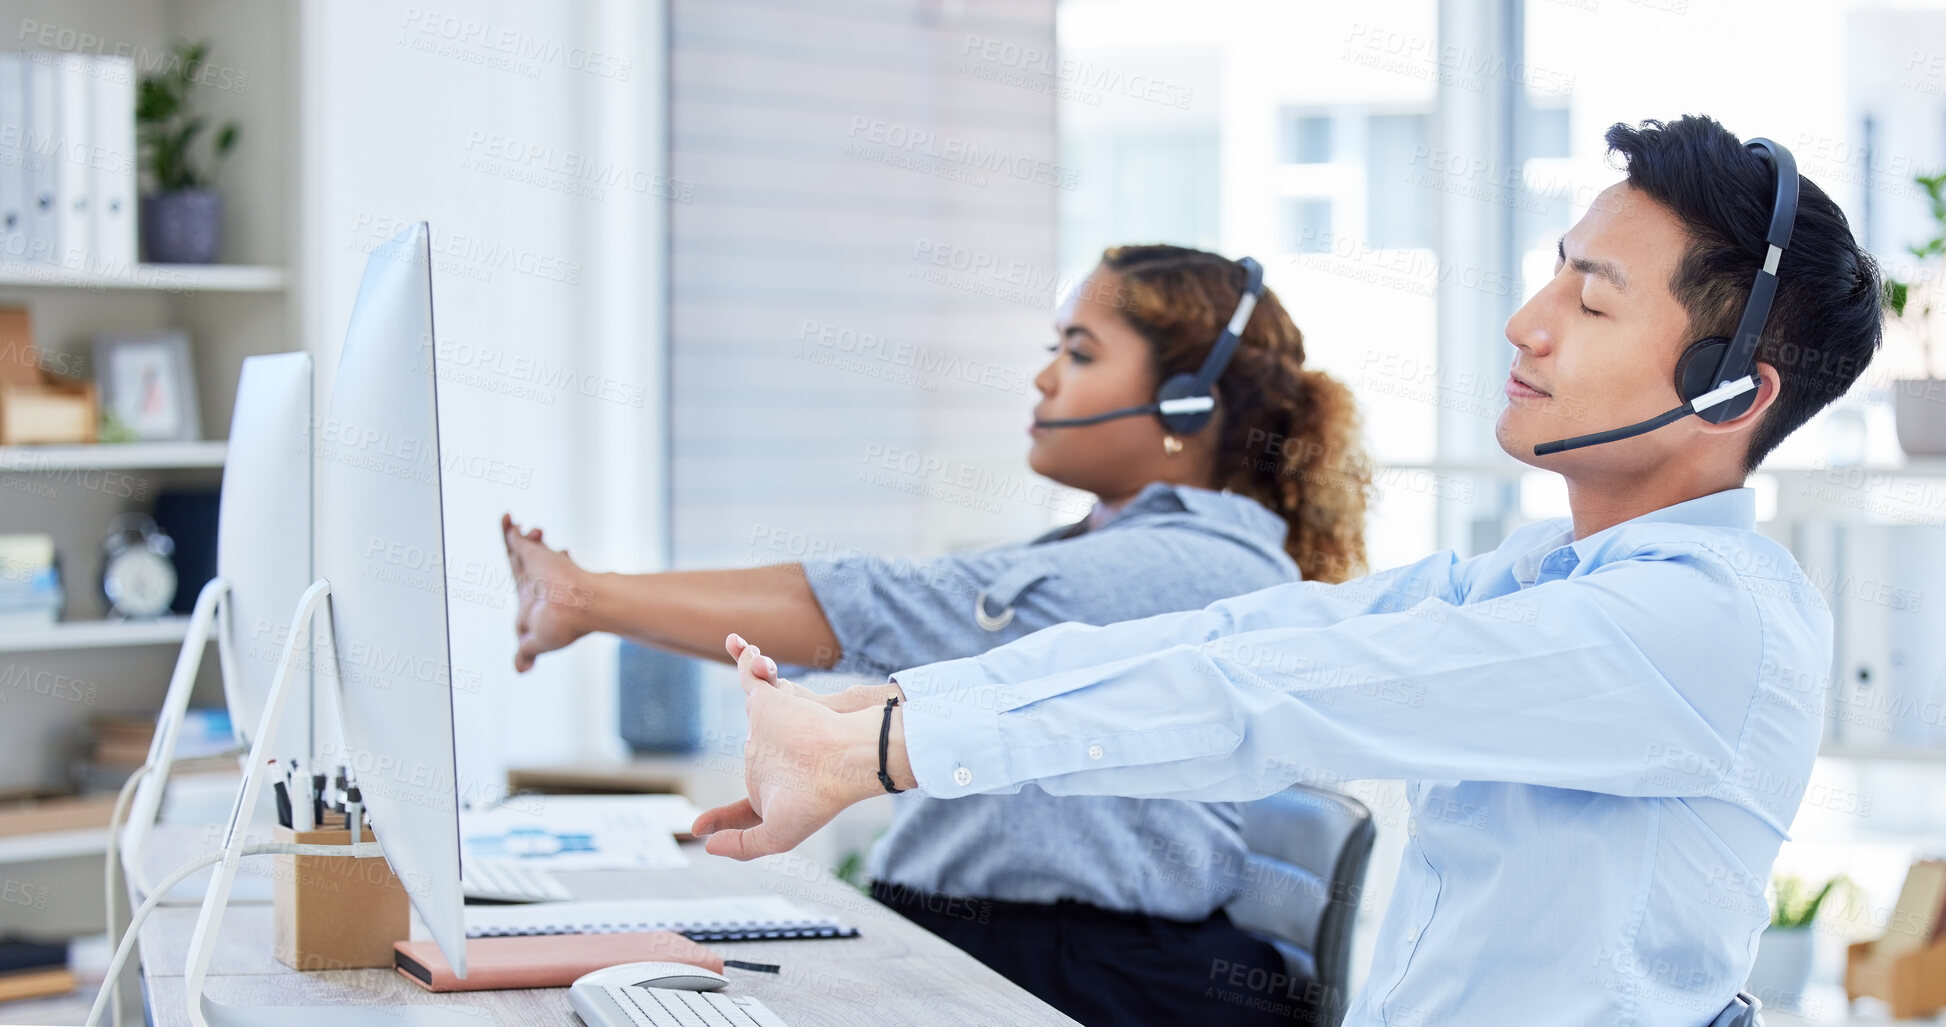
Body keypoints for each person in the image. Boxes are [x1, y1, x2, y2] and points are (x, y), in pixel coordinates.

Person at [693, 116, 1886, 1026]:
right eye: (1551, 274)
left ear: (1731, 388)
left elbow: (1284, 697)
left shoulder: (1693, 622)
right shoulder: (1541, 576)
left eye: (1587, 300)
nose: (1526, 323)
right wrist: (905, 707)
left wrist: (887, 753)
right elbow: (1238, 644)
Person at [502, 244, 1373, 1025]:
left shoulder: (1199, 566)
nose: (1044, 381)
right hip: (1016, 947)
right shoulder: (1107, 547)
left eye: (1078, 352)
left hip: (1087, 974)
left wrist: (592, 599)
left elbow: (902, 607)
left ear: (1188, 405)